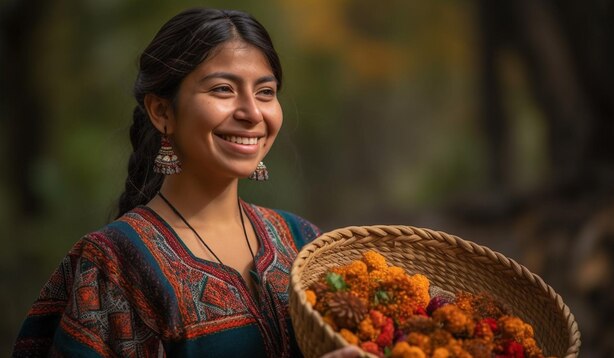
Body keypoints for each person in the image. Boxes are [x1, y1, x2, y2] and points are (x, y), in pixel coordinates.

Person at [12, 8, 360, 358]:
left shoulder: (303, 242)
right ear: (162, 112)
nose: (253, 113)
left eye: (266, 92)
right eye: (224, 89)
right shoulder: (112, 263)